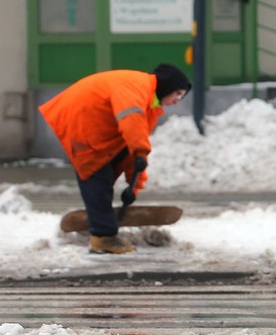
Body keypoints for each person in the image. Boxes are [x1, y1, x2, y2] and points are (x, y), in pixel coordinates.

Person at [39, 63, 191, 254]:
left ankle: (99, 217)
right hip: (83, 119)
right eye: (177, 93)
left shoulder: (148, 104)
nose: (178, 100)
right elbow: (132, 124)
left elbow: (133, 151)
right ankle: (103, 238)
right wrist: (139, 152)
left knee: (106, 171)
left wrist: (133, 185)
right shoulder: (138, 87)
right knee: (96, 173)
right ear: (167, 86)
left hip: (98, 125)